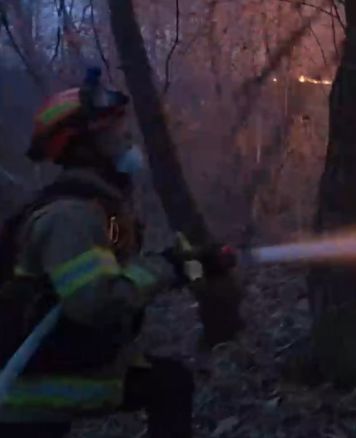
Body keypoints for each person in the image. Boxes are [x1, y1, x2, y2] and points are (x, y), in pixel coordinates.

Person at [0, 68, 215, 437]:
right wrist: (167, 268)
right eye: (112, 132)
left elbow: (122, 272)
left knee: (170, 383)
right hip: (27, 389)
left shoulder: (98, 208)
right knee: (168, 384)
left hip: (58, 367)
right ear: (83, 147)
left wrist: (193, 266)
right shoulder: (69, 216)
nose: (126, 137)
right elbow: (95, 301)